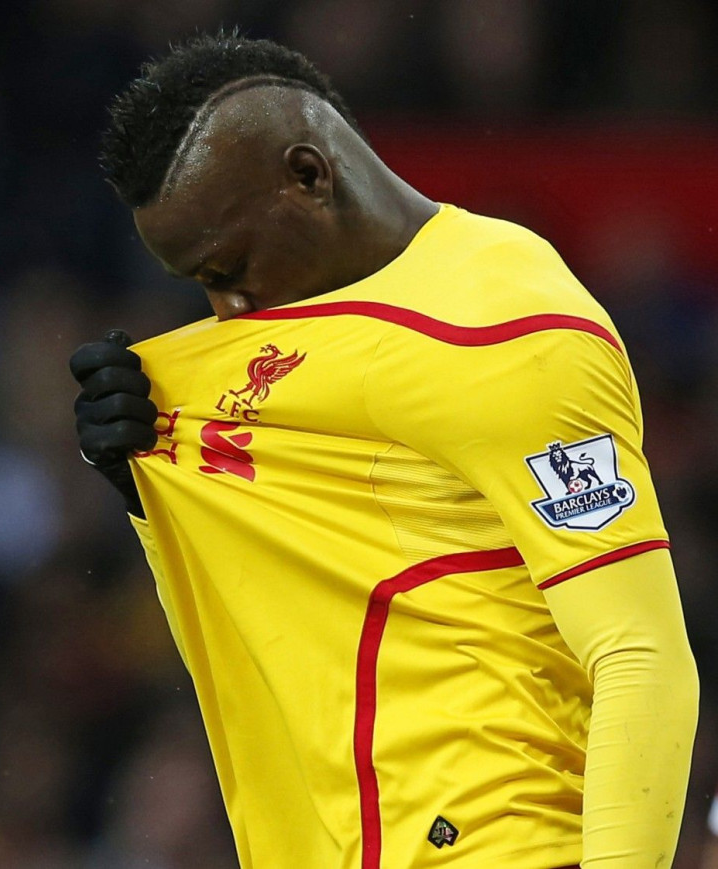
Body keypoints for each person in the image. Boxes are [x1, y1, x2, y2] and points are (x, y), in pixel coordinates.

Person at [70, 31, 699, 869]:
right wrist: (148, 488)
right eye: (202, 285)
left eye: (232, 266)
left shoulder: (506, 334)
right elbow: (275, 619)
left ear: (308, 175)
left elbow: (640, 652)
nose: (229, 307)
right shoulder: (300, 337)